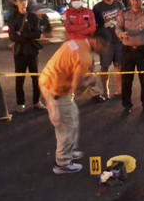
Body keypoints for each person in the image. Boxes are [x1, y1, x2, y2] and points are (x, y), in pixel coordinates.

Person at [39, 35, 108, 174]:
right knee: (66, 126)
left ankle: (69, 151)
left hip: (48, 81)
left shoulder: (75, 42)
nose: (104, 51)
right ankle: (63, 163)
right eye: (105, 47)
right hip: (57, 90)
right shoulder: (84, 57)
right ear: (97, 41)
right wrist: (91, 81)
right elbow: (77, 86)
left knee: (72, 115)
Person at [115, 0, 144, 114]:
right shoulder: (123, 13)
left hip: (143, 51)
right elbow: (117, 28)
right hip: (127, 51)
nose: (136, 2)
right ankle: (126, 105)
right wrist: (121, 34)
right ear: (130, 0)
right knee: (127, 79)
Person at [8, 0, 47, 113]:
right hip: (19, 52)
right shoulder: (12, 19)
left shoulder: (33, 17)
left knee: (36, 77)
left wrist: (23, 34)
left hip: (31, 51)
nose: (23, 2)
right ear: (15, 3)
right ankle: (20, 103)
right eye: (20, 0)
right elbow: (13, 37)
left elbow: (37, 34)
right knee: (20, 78)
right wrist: (26, 36)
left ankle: (36, 101)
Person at [64, 0, 105, 103]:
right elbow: (68, 28)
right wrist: (84, 27)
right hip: (73, 46)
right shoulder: (67, 13)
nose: (75, 1)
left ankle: (94, 92)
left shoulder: (88, 12)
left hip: (86, 45)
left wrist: (76, 30)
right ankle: (69, 95)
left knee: (90, 68)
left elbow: (92, 28)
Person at [93, 0, 125, 99]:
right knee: (104, 67)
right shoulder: (97, 8)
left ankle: (120, 90)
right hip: (105, 42)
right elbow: (94, 26)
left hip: (119, 41)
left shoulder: (119, 5)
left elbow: (125, 21)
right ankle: (105, 91)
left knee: (118, 66)